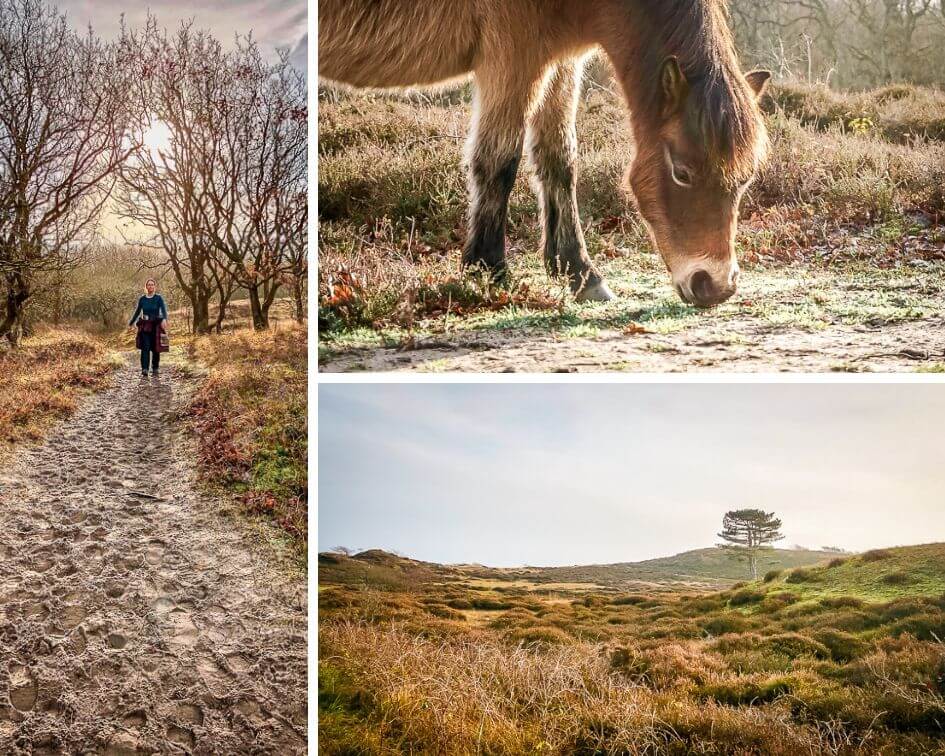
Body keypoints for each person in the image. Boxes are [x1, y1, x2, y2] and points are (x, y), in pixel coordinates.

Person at [128, 279, 168, 377]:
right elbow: (137, 312)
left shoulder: (158, 298)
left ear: (155, 286)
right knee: (145, 347)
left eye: (152, 285)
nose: (150, 286)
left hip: (156, 325)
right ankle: (145, 369)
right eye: (149, 285)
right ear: (146, 287)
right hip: (145, 326)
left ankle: (155, 368)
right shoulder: (142, 299)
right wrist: (131, 323)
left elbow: (163, 310)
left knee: (155, 348)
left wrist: (164, 319)